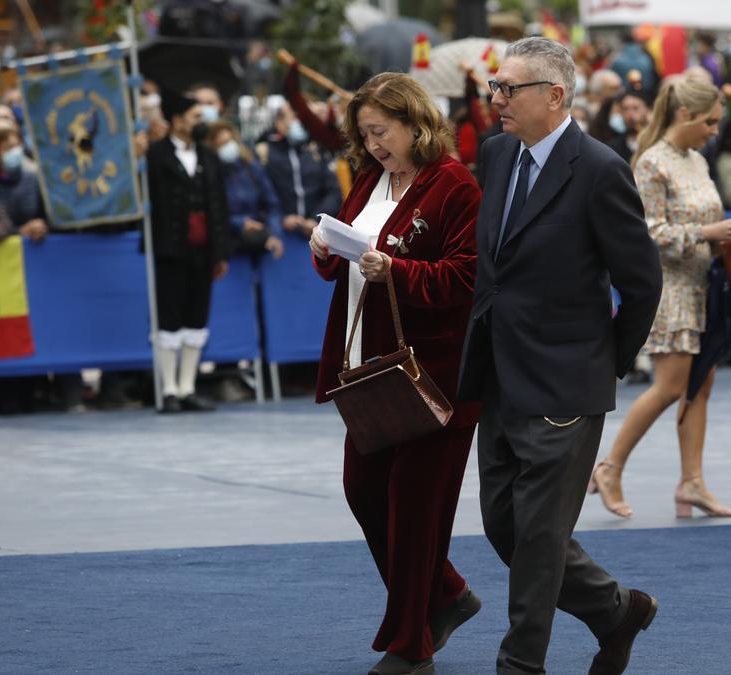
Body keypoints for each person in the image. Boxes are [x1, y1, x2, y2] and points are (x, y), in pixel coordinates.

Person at [457, 37, 663, 675]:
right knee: (505, 528)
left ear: (555, 94)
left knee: (540, 539)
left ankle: (521, 664)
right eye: (495, 86)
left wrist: (603, 363)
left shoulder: (600, 168)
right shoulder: (496, 156)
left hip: (567, 383)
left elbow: (642, 281)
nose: (495, 100)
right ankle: (614, 610)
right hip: (498, 375)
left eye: (507, 89)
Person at [307, 72, 483, 675]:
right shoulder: (369, 179)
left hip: (432, 375)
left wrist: (398, 271)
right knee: (364, 492)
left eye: (382, 131)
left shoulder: (455, 185)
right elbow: (349, 263)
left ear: (415, 122)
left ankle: (412, 647)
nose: (374, 144)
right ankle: (449, 594)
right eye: (365, 135)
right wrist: (326, 248)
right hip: (371, 371)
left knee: (414, 512)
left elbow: (467, 277)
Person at [589, 79, 731, 521]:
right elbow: (647, 233)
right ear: (685, 115)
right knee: (670, 387)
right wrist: (707, 234)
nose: (715, 130)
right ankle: (609, 467)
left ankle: (692, 482)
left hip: (705, 285)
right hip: (670, 288)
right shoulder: (652, 163)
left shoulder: (697, 160)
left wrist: (728, 241)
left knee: (700, 386)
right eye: (711, 121)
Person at [145, 88, 232, 414]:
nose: (201, 121)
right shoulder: (155, 155)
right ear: (177, 120)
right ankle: (168, 388)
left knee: (197, 315)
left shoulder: (209, 157)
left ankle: (187, 387)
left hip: (203, 248)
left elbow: (219, 205)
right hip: (170, 248)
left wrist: (221, 251)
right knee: (169, 317)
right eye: (195, 116)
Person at [259, 103, 342, 241]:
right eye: (295, 118)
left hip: (316, 233)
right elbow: (263, 195)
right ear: (279, 122)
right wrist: (281, 218)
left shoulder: (315, 151)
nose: (301, 123)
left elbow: (333, 191)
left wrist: (315, 218)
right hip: (281, 235)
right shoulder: (266, 153)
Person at [205, 120, 283, 260]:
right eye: (222, 144)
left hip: (260, 239)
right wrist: (240, 223)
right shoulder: (211, 175)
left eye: (230, 141)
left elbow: (272, 203)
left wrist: (273, 233)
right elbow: (212, 212)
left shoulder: (251, 167)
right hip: (230, 247)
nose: (228, 146)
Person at [0, 126, 45, 244]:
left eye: (17, 145)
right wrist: (19, 231)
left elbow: (46, 216)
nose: (15, 151)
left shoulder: (34, 180)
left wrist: (41, 226)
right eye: (8, 148)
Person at [605, 88, 653, 164]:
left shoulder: (657, 142)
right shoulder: (613, 147)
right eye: (625, 109)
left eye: (635, 108)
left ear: (649, 109)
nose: (630, 114)